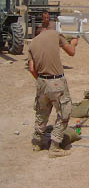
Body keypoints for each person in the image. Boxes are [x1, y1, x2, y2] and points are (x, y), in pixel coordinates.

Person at [28, 27, 78, 158]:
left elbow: (32, 69)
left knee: (41, 113)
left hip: (41, 83)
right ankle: (55, 146)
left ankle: (37, 143)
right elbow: (71, 52)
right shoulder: (56, 34)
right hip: (56, 83)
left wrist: (42, 81)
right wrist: (74, 43)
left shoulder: (32, 43)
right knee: (64, 113)